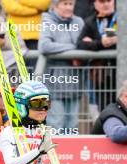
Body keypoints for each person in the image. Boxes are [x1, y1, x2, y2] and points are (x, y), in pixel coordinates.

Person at [38, 0, 84, 131]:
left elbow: (86, 44)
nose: (69, 7)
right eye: (65, 4)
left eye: (71, 4)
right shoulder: (48, 20)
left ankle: (72, 152)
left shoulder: (79, 22)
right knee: (56, 123)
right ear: (55, 6)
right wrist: (74, 49)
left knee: (73, 124)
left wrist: (81, 55)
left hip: (75, 82)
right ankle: (54, 152)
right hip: (55, 83)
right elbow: (44, 46)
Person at [77, 0, 117, 113]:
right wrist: (100, 43)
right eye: (101, 1)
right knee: (106, 112)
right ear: (95, 4)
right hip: (102, 76)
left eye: (109, 1)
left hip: (122, 74)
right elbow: (80, 44)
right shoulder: (90, 21)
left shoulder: (122, 18)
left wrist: (118, 40)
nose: (106, 4)